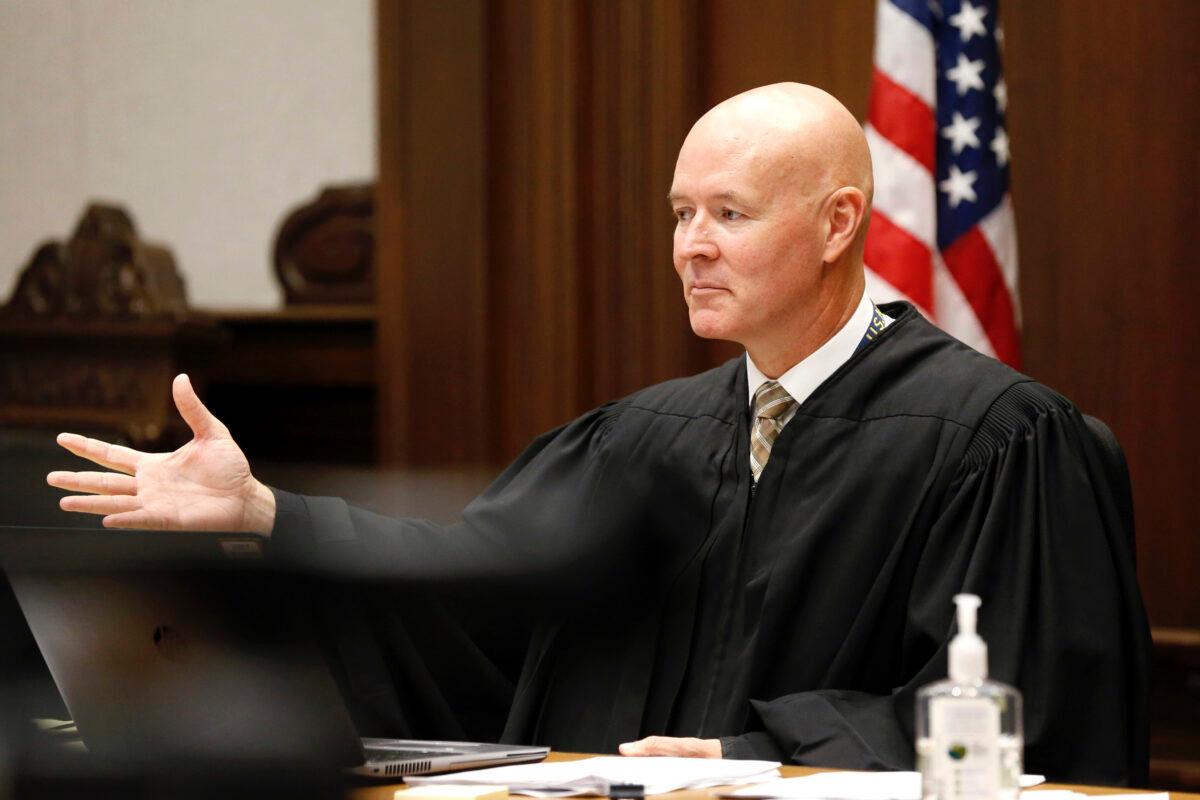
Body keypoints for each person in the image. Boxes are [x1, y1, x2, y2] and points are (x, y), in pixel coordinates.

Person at [46, 84, 1149, 785]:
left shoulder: (997, 441)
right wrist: (264, 514)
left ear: (839, 223)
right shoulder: (640, 440)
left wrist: (760, 756)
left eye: (730, 212)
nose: (691, 247)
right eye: (680, 213)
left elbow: (1024, 714)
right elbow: (476, 596)